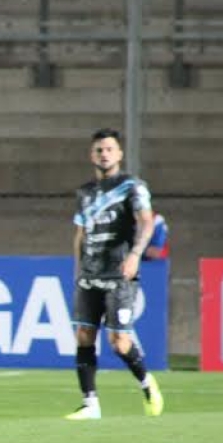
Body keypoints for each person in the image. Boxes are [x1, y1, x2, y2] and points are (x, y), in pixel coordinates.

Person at [67, 128, 164, 420]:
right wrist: (77, 271)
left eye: (109, 149)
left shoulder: (132, 186)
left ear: (119, 154)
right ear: (91, 155)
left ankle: (148, 386)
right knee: (84, 335)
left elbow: (147, 223)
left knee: (119, 343)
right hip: (89, 274)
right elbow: (80, 235)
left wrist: (135, 255)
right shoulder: (84, 193)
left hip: (119, 274)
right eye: (99, 150)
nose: (104, 154)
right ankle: (90, 404)